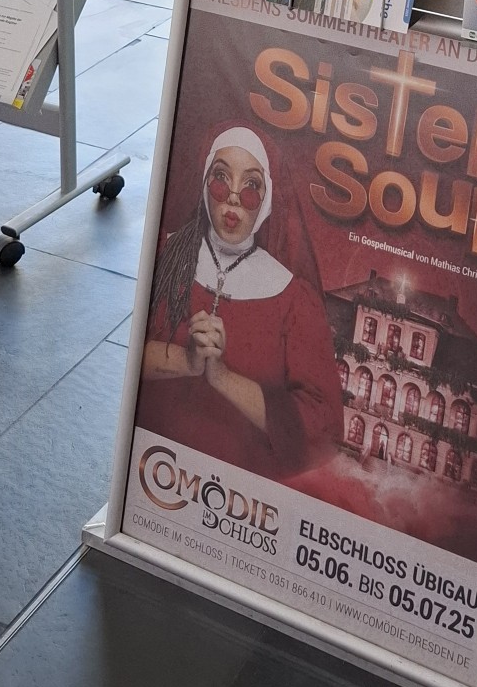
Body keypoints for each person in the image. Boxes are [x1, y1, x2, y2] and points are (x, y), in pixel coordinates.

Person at [138, 128, 342, 479]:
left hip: (239, 493)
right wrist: (188, 360)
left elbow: (324, 427)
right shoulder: (165, 254)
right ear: (204, 183)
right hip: (153, 467)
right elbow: (128, 358)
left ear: (267, 199)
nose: (233, 199)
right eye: (221, 179)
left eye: (250, 187)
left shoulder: (293, 298)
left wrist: (221, 377)